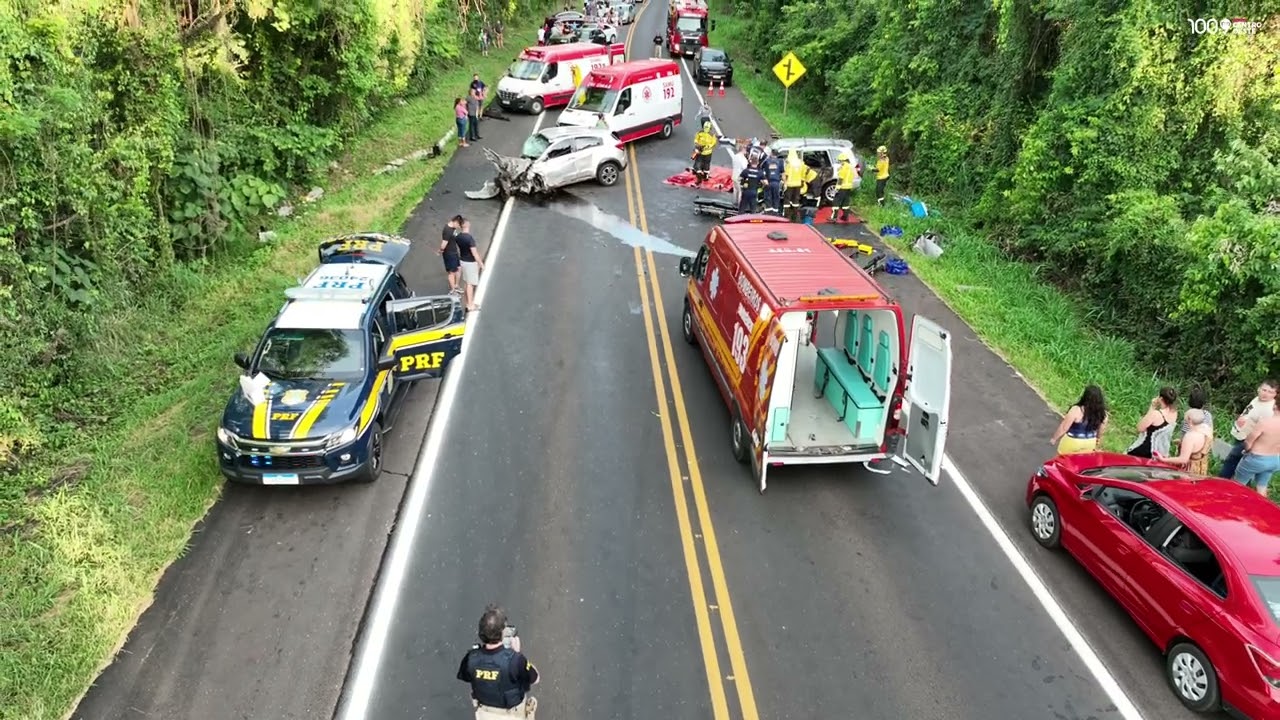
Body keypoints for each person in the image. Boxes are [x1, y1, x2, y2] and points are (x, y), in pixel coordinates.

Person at [457, 604, 540, 719]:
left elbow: (466, 677)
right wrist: (518, 654)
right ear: (502, 633)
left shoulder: (471, 659)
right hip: (512, 714)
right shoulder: (515, 661)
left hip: (484, 714)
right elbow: (535, 678)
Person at [1218, 378, 1278, 479]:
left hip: (1249, 439)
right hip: (1241, 434)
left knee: (1232, 459)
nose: (1266, 394)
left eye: (1270, 392)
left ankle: (1222, 481)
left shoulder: (1270, 409)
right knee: (1238, 463)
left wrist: (1250, 444)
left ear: (1275, 394)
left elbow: (1264, 429)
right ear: (1259, 389)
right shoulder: (1256, 399)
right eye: (1264, 390)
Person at [1235, 402, 1280, 496]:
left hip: (1256, 458)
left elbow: (1249, 442)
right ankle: (1264, 508)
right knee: (1262, 486)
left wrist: (1246, 450)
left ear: (1275, 406)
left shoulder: (1265, 422)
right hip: (1274, 459)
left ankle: (1235, 507)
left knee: (1238, 485)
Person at [1050, 385, 1109, 454]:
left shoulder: (1076, 410)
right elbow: (1100, 431)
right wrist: (1097, 439)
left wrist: (1054, 439)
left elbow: (1064, 427)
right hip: (1090, 443)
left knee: (1062, 462)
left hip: (1073, 441)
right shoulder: (1103, 414)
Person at [1126, 387, 1178, 459]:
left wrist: (1152, 407)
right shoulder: (1175, 413)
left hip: (1145, 450)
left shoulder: (1156, 414)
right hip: (1159, 452)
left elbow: (1140, 428)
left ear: (1160, 398)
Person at [1159, 409, 1213, 476]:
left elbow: (1183, 459)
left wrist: (1163, 459)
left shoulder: (1190, 437)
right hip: (1200, 467)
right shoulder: (1207, 429)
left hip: (1188, 471)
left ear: (1190, 420)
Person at [455, 219, 485, 312]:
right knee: (470, 284)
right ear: (468, 225)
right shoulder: (469, 238)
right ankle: (470, 305)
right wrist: (481, 264)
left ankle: (469, 302)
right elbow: (474, 253)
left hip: (463, 261)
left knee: (467, 282)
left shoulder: (458, 237)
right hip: (470, 263)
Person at [438, 214, 463, 295]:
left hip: (454, 252)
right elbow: (444, 243)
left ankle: (456, 286)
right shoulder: (447, 231)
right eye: (459, 225)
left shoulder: (453, 228)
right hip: (449, 254)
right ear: (455, 222)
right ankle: (453, 291)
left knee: (458, 269)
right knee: (451, 272)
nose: (459, 227)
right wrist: (441, 250)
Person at [781, 149, 806, 222]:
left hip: (790, 184)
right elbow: (803, 173)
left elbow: (787, 174)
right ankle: (795, 214)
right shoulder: (801, 163)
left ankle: (786, 215)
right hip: (798, 184)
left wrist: (784, 182)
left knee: (787, 200)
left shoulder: (789, 163)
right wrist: (802, 182)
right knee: (796, 199)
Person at [832, 151, 857, 222]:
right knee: (846, 202)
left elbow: (840, 178)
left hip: (842, 187)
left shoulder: (843, 167)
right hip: (848, 187)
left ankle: (834, 217)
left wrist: (837, 188)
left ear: (842, 160)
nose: (839, 162)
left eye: (840, 161)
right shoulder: (850, 167)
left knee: (836, 201)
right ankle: (845, 216)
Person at [691, 120, 716, 185]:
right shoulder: (712, 135)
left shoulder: (700, 132)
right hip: (707, 153)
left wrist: (698, 145)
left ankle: (699, 175)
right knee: (706, 164)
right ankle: (705, 175)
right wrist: (706, 146)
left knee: (698, 163)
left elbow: (696, 139)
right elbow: (713, 143)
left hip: (701, 152)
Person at [761, 148, 782, 214]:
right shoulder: (780, 161)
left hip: (768, 182)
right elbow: (783, 173)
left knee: (768, 197)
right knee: (776, 197)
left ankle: (768, 212)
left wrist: (763, 180)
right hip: (776, 183)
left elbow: (761, 169)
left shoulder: (766, 161)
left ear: (771, 153)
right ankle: (775, 213)